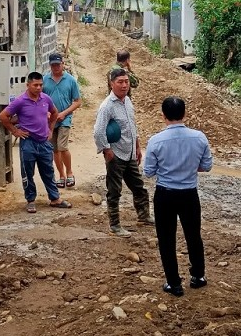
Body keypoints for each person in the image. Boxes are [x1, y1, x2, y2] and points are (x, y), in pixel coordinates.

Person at [144, 96, 213, 297]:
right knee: (193, 235)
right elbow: (207, 166)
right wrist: (189, 168)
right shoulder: (199, 137)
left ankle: (174, 283)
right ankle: (198, 276)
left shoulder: (156, 141)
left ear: (163, 115)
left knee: (166, 239)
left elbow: (149, 171)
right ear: (184, 114)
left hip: (165, 194)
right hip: (189, 194)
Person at [0, 72, 72, 213]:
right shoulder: (20, 101)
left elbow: (55, 113)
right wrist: (15, 131)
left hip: (43, 142)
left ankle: (55, 198)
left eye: (40, 85)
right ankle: (30, 200)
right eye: (35, 85)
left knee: (48, 172)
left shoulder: (46, 99)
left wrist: (50, 130)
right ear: (28, 85)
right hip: (28, 142)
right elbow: (2, 116)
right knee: (28, 173)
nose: (38, 88)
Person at [93, 68, 151, 237]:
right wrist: (106, 149)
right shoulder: (107, 106)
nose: (124, 85)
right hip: (116, 154)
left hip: (130, 152)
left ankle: (144, 216)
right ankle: (115, 225)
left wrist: (138, 146)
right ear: (112, 84)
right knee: (114, 191)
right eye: (120, 82)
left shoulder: (127, 101)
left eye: (126, 81)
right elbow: (98, 131)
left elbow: (132, 126)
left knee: (139, 187)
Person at [43, 53, 82, 189]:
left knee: (62, 146)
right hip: (50, 120)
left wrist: (64, 113)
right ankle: (61, 175)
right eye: (53, 65)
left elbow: (77, 102)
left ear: (62, 64)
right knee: (54, 149)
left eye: (58, 65)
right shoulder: (45, 80)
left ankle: (70, 172)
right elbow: (40, 99)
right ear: (50, 65)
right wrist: (47, 112)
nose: (55, 67)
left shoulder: (70, 80)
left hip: (65, 118)